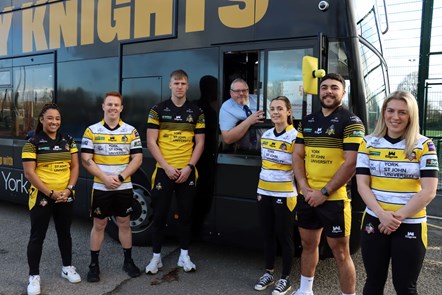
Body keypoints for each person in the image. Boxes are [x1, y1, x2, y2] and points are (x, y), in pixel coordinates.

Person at [356, 91, 439, 295]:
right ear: (383, 112)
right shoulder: (367, 143)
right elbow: (362, 185)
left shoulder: (424, 145)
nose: (395, 117)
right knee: (373, 283)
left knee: (405, 288)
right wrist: (382, 215)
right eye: (390, 110)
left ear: (411, 115)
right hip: (375, 220)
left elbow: (429, 190)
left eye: (403, 112)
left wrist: (396, 218)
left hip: (410, 223)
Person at [292, 73, 365, 295]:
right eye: (324, 87)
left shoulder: (352, 122)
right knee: (307, 245)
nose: (328, 91)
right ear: (319, 92)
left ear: (343, 92)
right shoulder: (308, 121)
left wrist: (324, 192)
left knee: (341, 253)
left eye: (334, 87)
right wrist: (304, 188)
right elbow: (297, 156)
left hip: (334, 199)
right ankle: (305, 290)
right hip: (308, 196)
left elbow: (351, 163)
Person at [145, 69, 205, 274]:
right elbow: (151, 142)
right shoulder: (157, 110)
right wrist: (167, 167)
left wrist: (189, 167)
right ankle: (156, 258)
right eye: (176, 83)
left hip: (187, 172)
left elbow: (200, 143)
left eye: (183, 84)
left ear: (188, 86)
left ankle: (184, 257)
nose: (179, 87)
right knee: (159, 215)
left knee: (186, 216)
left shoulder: (196, 112)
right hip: (164, 171)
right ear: (170, 85)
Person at [81, 91, 143, 282]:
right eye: (109, 104)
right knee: (99, 225)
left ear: (121, 108)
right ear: (103, 107)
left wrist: (121, 176)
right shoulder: (91, 130)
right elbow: (85, 159)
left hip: (123, 188)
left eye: (116, 105)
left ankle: (128, 261)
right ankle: (94, 265)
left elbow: (138, 158)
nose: (113, 108)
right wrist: (104, 178)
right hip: (101, 188)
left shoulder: (131, 131)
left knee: (124, 223)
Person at [22, 103, 81, 295]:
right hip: (43, 195)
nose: (54, 121)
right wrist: (50, 193)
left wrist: (69, 189)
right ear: (42, 119)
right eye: (50, 118)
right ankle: (33, 277)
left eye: (57, 118)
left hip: (65, 194)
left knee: (65, 234)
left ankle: (67, 268)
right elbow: (30, 173)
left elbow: (74, 167)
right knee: (37, 236)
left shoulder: (69, 140)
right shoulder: (32, 142)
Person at [254, 96, 298, 295]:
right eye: (272, 108)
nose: (275, 112)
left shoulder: (296, 137)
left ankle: (285, 279)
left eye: (280, 108)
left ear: (289, 112)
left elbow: (299, 170)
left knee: (284, 236)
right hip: (264, 191)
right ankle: (269, 273)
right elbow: (264, 165)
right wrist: (259, 191)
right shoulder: (265, 135)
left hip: (286, 193)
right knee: (266, 234)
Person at [219, 78, 264, 150]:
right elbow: (227, 138)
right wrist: (249, 121)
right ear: (231, 93)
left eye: (244, 90)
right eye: (237, 91)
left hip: (266, 149)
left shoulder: (260, 100)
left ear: (248, 91)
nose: (241, 93)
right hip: (243, 152)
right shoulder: (226, 108)